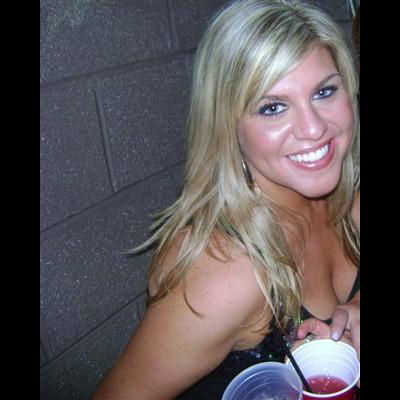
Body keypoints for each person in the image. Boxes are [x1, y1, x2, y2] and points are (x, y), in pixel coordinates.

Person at [92, 0, 360, 399]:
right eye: (273, 107)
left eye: (324, 91)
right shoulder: (225, 272)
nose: (313, 128)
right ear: (226, 126)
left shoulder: (348, 193)